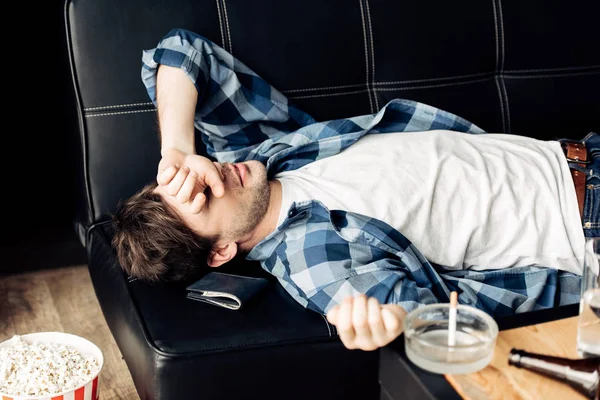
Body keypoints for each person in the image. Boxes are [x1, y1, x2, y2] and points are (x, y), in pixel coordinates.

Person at [111, 28, 598, 351]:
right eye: (203, 197)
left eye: (195, 176)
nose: (215, 175)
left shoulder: (263, 157)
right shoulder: (311, 260)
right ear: (220, 252)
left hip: (581, 152)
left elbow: (179, 49)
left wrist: (175, 151)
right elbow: (411, 316)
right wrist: (382, 324)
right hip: (585, 223)